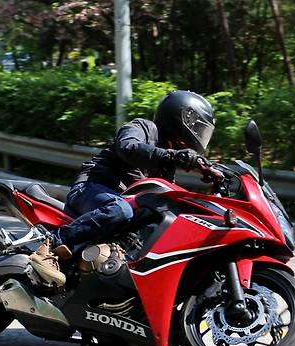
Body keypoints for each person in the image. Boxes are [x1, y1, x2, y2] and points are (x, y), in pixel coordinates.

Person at [29, 90, 216, 286]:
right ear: (183, 119)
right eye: (199, 128)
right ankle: (50, 246)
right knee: (120, 210)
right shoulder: (144, 127)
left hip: (118, 205)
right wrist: (173, 156)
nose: (200, 136)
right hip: (91, 187)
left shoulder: (166, 166)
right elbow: (128, 147)